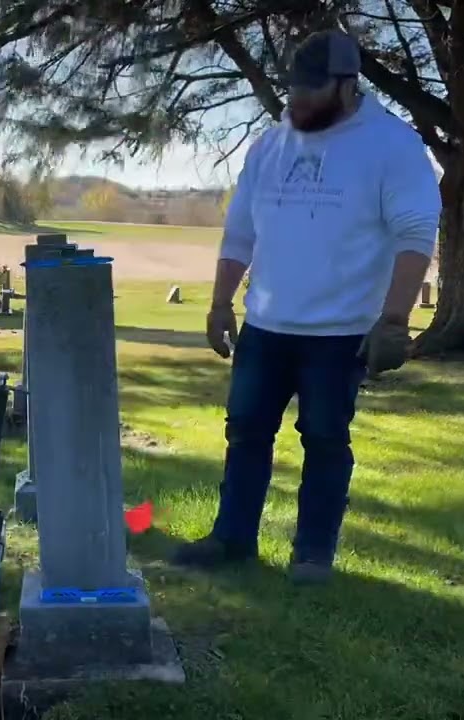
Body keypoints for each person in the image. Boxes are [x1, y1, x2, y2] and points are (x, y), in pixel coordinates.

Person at [171, 30, 442, 584]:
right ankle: (232, 540)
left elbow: (415, 232)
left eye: (310, 90)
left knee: (324, 439)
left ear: (346, 87)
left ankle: (313, 556)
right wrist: (221, 303)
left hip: (341, 332)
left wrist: (394, 320)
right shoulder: (271, 145)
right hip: (265, 326)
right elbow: (240, 232)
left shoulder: (391, 144)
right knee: (245, 433)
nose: (297, 99)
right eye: (293, 88)